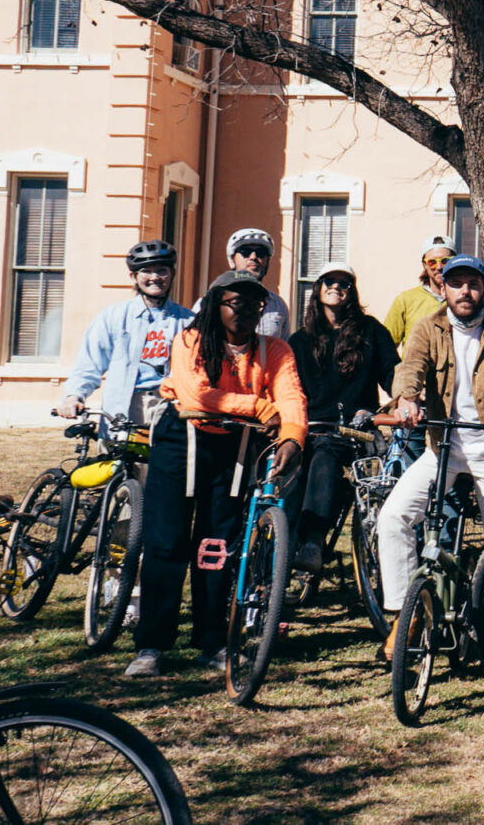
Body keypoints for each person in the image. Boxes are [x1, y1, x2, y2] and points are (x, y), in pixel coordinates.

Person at [129, 270, 306, 678]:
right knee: (166, 541)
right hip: (181, 439)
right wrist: (261, 408)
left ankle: (212, 643)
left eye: (254, 305)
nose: (245, 312)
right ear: (215, 305)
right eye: (235, 303)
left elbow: (291, 396)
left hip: (235, 446)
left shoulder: (274, 350)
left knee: (218, 546)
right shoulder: (190, 340)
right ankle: (152, 645)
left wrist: (292, 438)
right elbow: (198, 395)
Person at [379, 254, 484, 656]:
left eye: (472, 283)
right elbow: (411, 366)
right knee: (393, 518)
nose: (464, 291)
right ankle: (405, 614)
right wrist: (407, 400)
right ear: (443, 288)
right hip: (442, 447)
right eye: (456, 283)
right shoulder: (427, 326)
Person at [284, 262, 398, 570]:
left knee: (325, 456)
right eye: (329, 281)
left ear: (352, 291)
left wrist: (403, 400)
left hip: (353, 431)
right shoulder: (299, 340)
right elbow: (288, 387)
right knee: (289, 472)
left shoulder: (371, 331)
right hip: (307, 428)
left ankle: (312, 542)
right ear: (318, 289)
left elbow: (393, 374)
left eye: (344, 283)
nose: (336, 287)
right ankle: (280, 553)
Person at [60, 239, 193, 425]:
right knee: (118, 453)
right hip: (124, 405)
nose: (155, 277)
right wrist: (74, 396)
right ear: (133, 276)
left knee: (167, 453)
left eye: (162, 270)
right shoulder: (113, 317)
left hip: (170, 406)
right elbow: (89, 363)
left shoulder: (188, 321)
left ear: (172, 274)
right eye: (146, 271)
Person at [384, 236, 454, 348]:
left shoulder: (464, 301)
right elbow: (386, 346)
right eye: (432, 262)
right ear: (424, 265)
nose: (439, 267)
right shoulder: (405, 300)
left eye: (445, 261)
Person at [223, 229, 290, 338]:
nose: (253, 257)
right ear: (232, 260)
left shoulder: (278, 305)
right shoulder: (211, 301)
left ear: (267, 261)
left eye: (261, 253)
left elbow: (285, 349)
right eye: (245, 252)